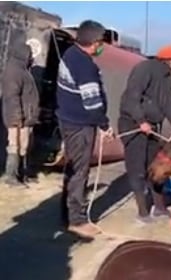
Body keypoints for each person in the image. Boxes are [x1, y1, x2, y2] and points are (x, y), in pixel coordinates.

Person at [56, 20, 113, 238]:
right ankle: (77, 220)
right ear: (94, 42)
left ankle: (66, 214)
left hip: (69, 120)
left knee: (72, 169)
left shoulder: (70, 54)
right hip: (80, 125)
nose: (101, 47)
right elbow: (92, 103)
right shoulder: (85, 65)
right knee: (80, 172)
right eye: (101, 42)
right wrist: (104, 125)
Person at [118, 45, 171, 224]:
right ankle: (142, 211)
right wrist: (140, 121)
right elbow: (132, 96)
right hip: (133, 125)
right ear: (168, 60)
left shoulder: (166, 76)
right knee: (137, 168)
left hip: (152, 127)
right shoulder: (144, 69)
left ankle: (159, 207)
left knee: (155, 167)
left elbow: (168, 101)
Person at [1, 43, 40, 187]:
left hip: (25, 117)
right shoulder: (14, 72)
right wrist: (16, 118)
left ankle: (23, 174)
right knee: (14, 145)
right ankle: (11, 176)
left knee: (24, 145)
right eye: (29, 55)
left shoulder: (22, 70)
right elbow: (12, 97)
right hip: (18, 118)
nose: (31, 58)